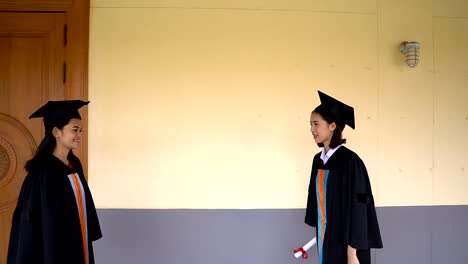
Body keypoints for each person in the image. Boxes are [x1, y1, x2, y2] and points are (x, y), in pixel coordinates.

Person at [8, 100, 102, 264]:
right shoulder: (42, 171)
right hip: (54, 249)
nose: (79, 134)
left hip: (78, 242)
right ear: (56, 132)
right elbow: (30, 221)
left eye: (80, 130)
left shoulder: (74, 165)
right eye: (74, 130)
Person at [305, 91, 382, 264]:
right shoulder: (318, 160)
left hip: (347, 243)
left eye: (316, 124)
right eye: (310, 124)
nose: (312, 129)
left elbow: (359, 208)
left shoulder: (350, 162)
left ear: (332, 126)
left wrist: (352, 252)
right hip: (326, 237)